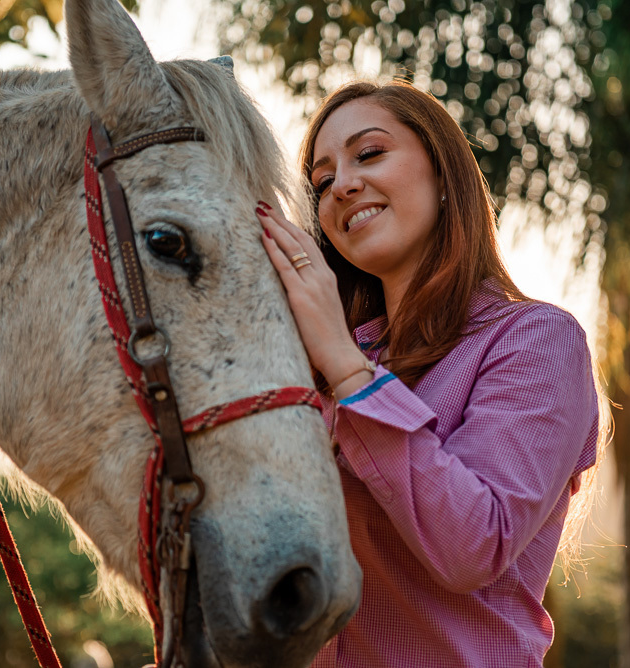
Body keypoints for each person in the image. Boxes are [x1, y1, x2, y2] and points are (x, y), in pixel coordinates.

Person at [254, 80, 606, 667]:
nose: (341, 186)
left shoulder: (536, 340)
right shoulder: (319, 368)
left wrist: (344, 367)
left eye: (369, 154)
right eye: (321, 181)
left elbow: (473, 547)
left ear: (443, 175)